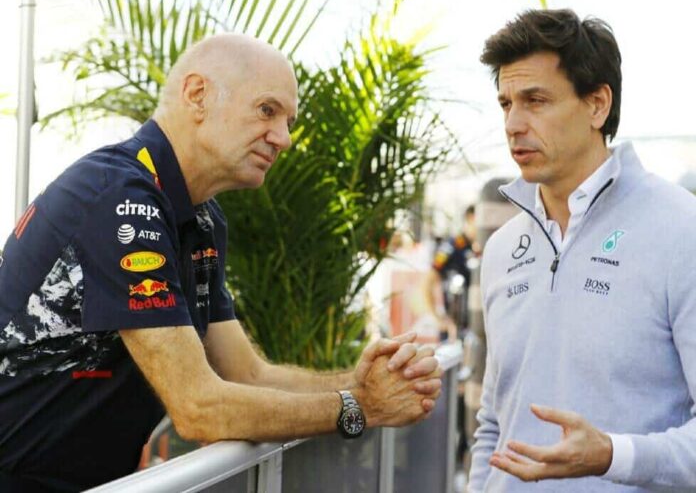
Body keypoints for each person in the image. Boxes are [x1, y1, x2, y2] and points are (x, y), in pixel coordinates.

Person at [0, 34, 443, 492]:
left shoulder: (202, 218)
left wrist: (359, 384)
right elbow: (199, 408)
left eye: (288, 121)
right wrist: (361, 407)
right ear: (198, 95)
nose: (284, 138)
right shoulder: (121, 197)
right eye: (267, 110)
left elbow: (247, 374)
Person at [468, 9, 696, 491]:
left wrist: (613, 455)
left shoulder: (681, 229)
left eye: (535, 101)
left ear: (597, 105)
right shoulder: (502, 248)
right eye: (506, 103)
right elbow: (493, 423)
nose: (513, 123)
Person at [424, 204, 478, 340]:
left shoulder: (481, 248)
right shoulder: (452, 246)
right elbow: (427, 283)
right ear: (471, 218)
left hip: (475, 326)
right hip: (454, 328)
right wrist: (437, 318)